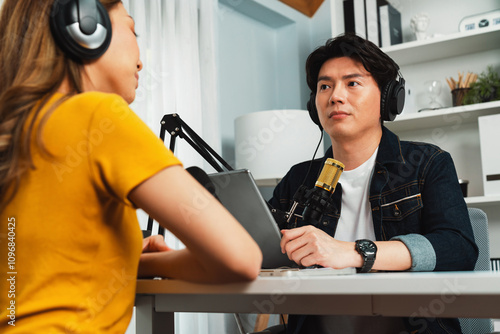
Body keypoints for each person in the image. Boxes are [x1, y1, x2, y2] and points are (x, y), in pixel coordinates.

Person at [0, 0, 262, 333]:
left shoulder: (16, 133)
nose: (141, 59)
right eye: (132, 28)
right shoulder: (98, 115)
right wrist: (147, 263)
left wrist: (121, 260)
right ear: (86, 27)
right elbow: (241, 259)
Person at [268, 33, 478, 334]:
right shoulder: (298, 179)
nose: (335, 96)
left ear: (388, 99)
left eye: (352, 83)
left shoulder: (428, 163)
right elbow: (264, 252)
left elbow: (458, 249)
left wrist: (354, 252)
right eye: (325, 86)